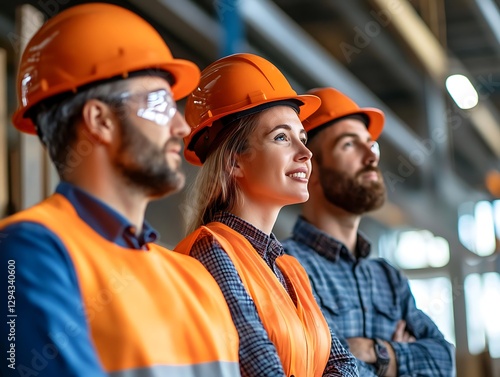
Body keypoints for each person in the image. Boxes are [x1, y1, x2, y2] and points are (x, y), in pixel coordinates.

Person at [0, 4, 240, 376]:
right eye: (159, 104)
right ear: (100, 120)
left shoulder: (195, 279)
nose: (180, 126)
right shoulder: (28, 252)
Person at [175, 53, 359, 377]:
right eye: (281, 138)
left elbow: (344, 364)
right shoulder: (210, 251)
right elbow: (261, 369)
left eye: (302, 138)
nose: (306, 153)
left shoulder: (289, 268)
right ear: (234, 161)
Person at [283, 87, 456, 376]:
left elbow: (445, 362)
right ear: (309, 167)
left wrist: (379, 352)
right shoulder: (286, 267)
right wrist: (402, 357)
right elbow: (321, 368)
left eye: (371, 144)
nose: (371, 156)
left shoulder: (388, 278)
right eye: (349, 145)